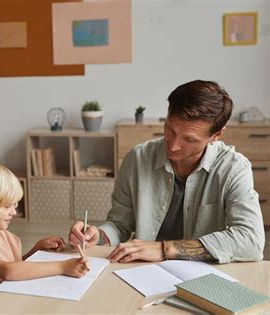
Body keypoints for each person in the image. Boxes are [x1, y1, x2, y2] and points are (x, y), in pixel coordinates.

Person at [69, 80, 265, 264]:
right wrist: (97, 235)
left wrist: (164, 249)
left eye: (189, 139)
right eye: (170, 129)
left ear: (216, 135)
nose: (173, 145)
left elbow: (251, 241)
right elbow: (120, 224)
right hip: (142, 269)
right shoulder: (138, 159)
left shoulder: (234, 168)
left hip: (204, 274)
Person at [0, 161, 89, 315]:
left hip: (1, 298)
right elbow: (8, 270)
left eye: (14, 205)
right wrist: (63, 267)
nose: (14, 212)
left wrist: (36, 250)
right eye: (7, 206)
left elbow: (5, 268)